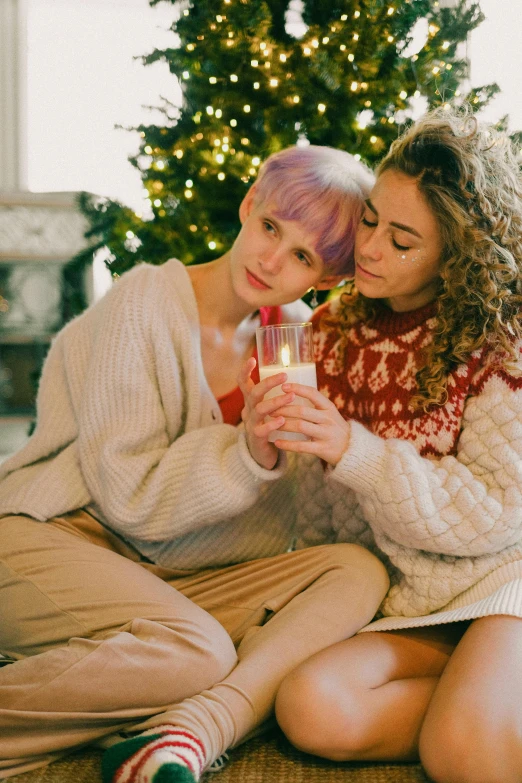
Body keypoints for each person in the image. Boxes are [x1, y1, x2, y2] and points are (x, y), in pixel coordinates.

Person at [0, 145, 389, 783]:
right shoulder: (142, 303)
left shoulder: (291, 340)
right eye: (270, 228)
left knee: (355, 569)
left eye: (301, 257)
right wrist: (248, 454)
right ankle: (168, 692)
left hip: (168, 574)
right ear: (248, 205)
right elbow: (130, 499)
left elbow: (265, 531)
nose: (270, 260)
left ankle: (189, 726)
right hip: (50, 535)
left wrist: (322, 448)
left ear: (325, 280)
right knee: (197, 649)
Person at [258, 108, 522, 783]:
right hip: (408, 600)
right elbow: (320, 524)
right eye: (370, 219)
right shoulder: (328, 331)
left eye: (402, 240)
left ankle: (477, 714)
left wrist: (356, 450)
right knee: (310, 706)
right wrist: (275, 446)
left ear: (457, 257)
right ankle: (482, 705)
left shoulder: (502, 341)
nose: (369, 248)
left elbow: (495, 510)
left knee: (458, 752)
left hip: (502, 580)